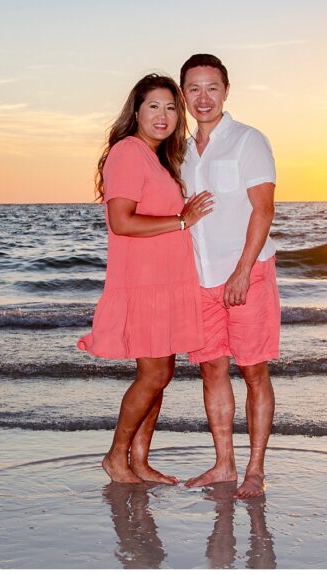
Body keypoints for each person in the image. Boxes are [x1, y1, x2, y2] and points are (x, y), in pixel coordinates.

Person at [79, 73, 215, 485]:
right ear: (135, 111)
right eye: (153, 106)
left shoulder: (157, 159)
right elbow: (121, 221)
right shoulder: (126, 152)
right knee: (154, 374)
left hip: (168, 280)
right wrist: (180, 220)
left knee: (161, 373)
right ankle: (116, 456)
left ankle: (139, 460)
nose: (164, 115)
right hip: (145, 282)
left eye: (171, 107)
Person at [178, 53, 279, 499]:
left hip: (247, 274)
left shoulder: (248, 140)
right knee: (211, 370)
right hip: (198, 278)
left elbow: (264, 208)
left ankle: (255, 471)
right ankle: (224, 465)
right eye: (194, 89)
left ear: (226, 91)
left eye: (212, 88)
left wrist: (241, 270)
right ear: (183, 94)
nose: (203, 98)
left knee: (254, 371)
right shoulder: (177, 150)